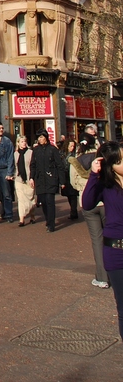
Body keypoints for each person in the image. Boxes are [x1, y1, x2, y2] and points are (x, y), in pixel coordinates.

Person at [82, 142, 123, 339]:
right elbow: (88, 203)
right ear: (110, 164)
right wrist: (93, 174)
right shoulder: (105, 185)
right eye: (120, 160)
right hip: (116, 252)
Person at [70, 140, 109, 288]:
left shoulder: (77, 160)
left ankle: (102, 277)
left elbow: (73, 182)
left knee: (97, 240)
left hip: (87, 201)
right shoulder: (103, 158)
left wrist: (83, 188)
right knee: (110, 238)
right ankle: (113, 272)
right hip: (105, 202)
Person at [29, 129, 66, 232]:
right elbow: (33, 165)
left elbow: (60, 165)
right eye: (38, 137)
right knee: (43, 202)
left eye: (41, 137)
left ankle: (51, 224)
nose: (40, 139)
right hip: (40, 180)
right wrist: (32, 177)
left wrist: (62, 181)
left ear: (46, 137)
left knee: (50, 201)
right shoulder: (36, 150)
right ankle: (48, 219)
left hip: (51, 179)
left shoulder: (53, 149)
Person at [14, 135, 36, 226]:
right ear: (18, 143)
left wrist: (32, 177)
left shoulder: (30, 153)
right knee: (21, 199)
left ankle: (32, 216)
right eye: (22, 141)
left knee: (30, 199)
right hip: (19, 179)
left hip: (29, 179)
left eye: (25, 141)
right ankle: (21, 219)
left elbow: (33, 166)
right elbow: (13, 166)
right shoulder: (15, 154)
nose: (24, 143)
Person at [62, 138, 79, 220]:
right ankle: (73, 210)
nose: (72, 147)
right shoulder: (63, 154)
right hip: (65, 176)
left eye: (73, 146)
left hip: (72, 175)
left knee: (73, 195)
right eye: (71, 146)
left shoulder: (75, 155)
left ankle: (73, 212)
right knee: (68, 195)